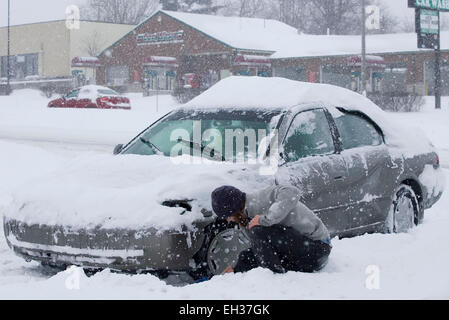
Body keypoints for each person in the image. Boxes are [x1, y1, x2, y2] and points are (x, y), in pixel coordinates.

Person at [211, 185, 332, 274]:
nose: (228, 220)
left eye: (228, 215)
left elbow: (292, 191)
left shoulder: (260, 199)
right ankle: (272, 276)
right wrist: (236, 269)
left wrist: (267, 219)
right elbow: (259, 249)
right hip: (300, 257)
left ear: (235, 209)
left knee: (258, 229)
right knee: (251, 250)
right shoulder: (246, 220)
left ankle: (273, 280)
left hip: (317, 249)